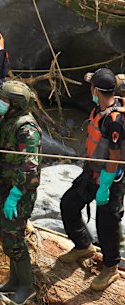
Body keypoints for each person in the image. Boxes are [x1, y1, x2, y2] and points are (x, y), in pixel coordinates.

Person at [59, 68, 125, 291]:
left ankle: (111, 268)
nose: (89, 90)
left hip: (110, 179)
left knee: (106, 223)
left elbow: (115, 158)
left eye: (91, 86)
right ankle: (83, 245)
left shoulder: (115, 120)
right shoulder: (100, 108)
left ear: (96, 90)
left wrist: (105, 186)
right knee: (68, 204)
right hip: (91, 173)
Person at [0, 81, 41, 304]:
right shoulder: (8, 120)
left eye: (4, 100)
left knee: (15, 239)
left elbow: (30, 166)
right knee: (5, 235)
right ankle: (13, 281)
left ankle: (27, 286)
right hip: (5, 185)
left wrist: (15, 195)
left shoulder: (26, 129)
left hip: (20, 192)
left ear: (15, 105)